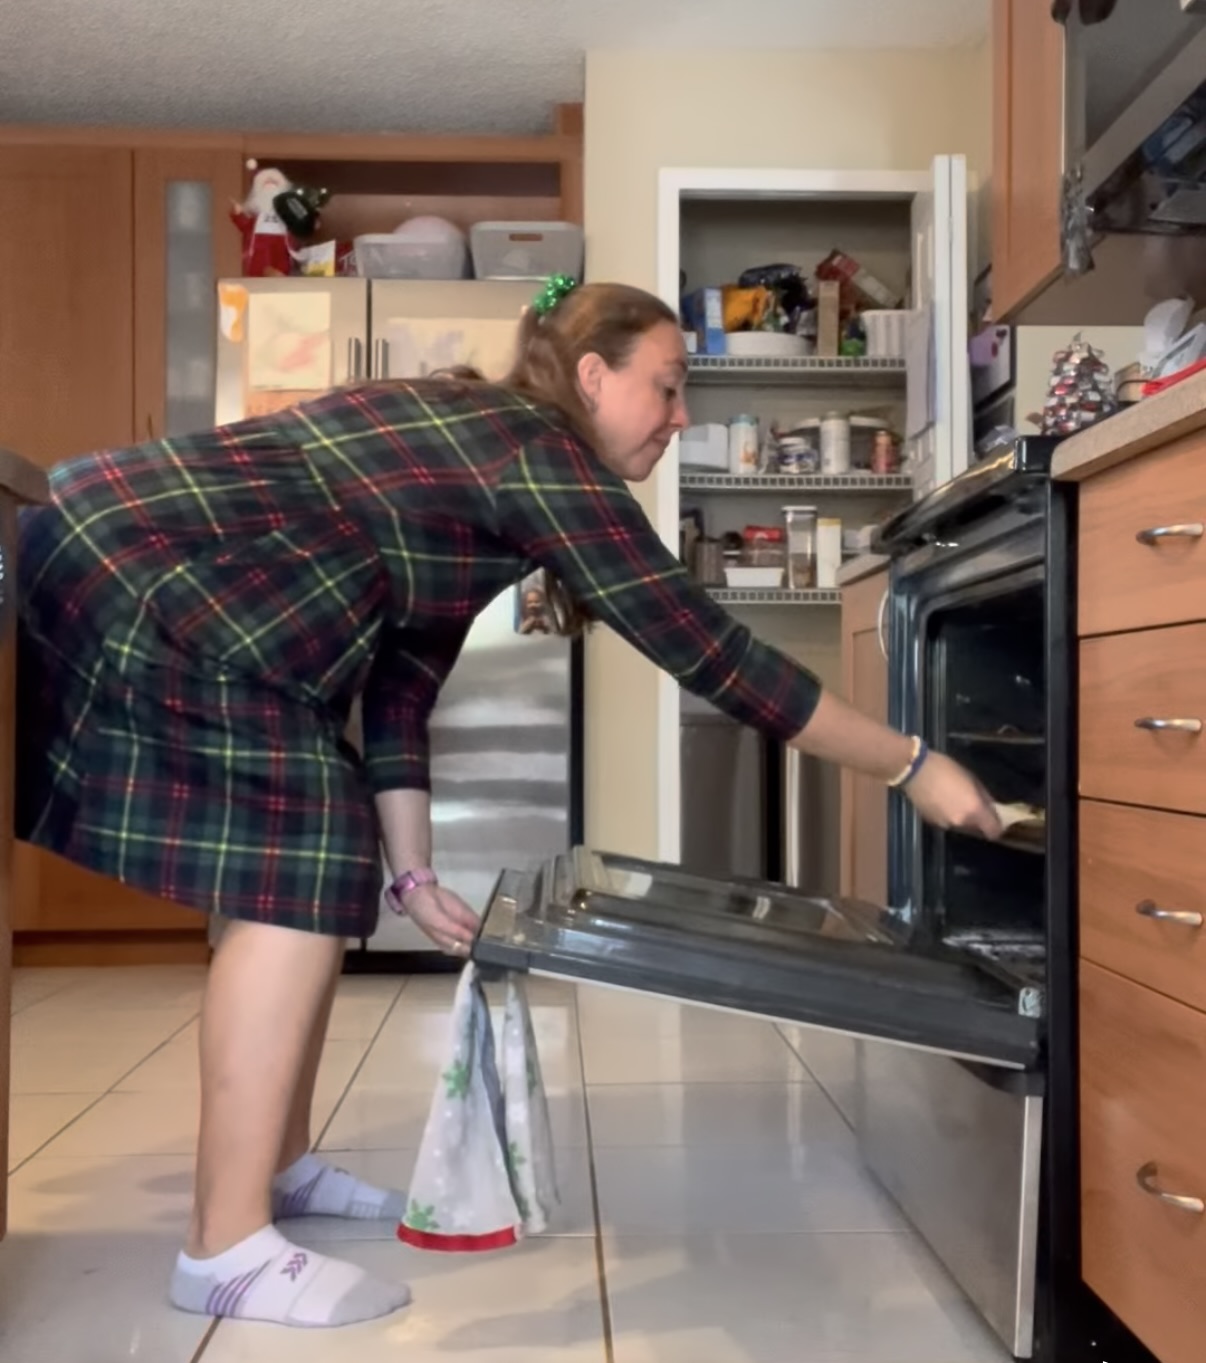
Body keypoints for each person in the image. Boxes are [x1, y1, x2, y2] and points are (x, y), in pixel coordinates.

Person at [15, 277, 1002, 1330]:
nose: (681, 418)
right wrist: (911, 764)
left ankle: (279, 1169)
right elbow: (705, 649)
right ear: (593, 374)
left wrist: (412, 871)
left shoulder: (483, 445)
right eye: (667, 389)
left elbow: (402, 677)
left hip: (132, 554)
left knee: (322, 847)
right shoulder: (539, 451)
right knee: (293, 865)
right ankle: (225, 1247)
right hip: (151, 572)